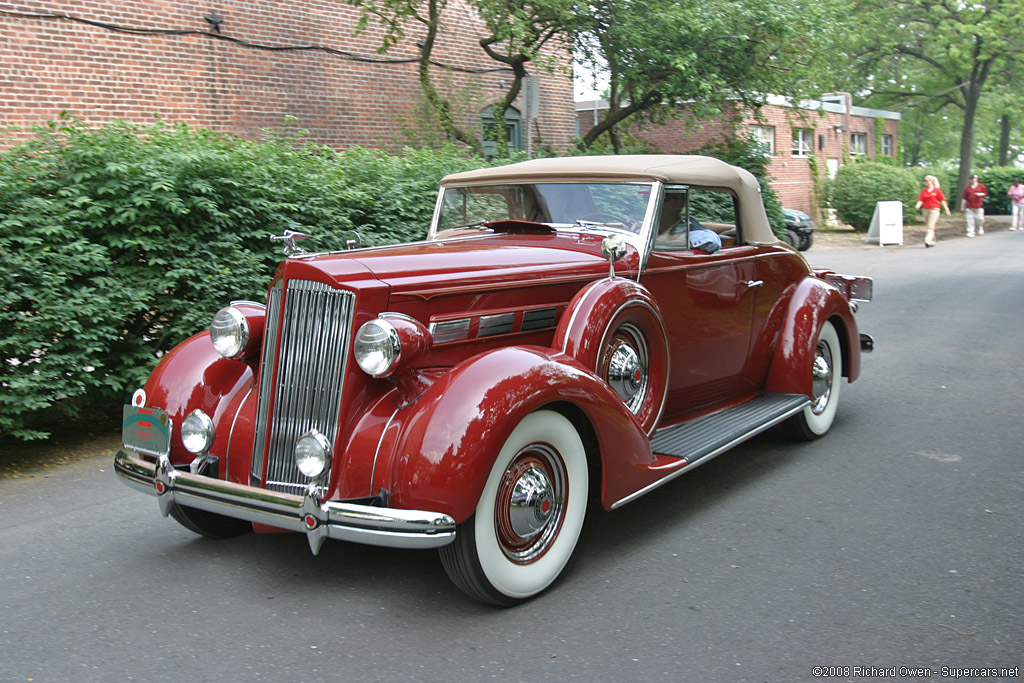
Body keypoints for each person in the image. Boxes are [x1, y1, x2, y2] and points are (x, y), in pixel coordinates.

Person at [915, 175, 951, 248]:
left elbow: (942, 200)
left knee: (930, 226)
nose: (926, 182)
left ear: (931, 181)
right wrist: (918, 205)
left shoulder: (937, 190)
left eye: (927, 180)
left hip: (934, 209)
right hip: (925, 209)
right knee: (929, 226)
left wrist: (947, 209)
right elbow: (921, 199)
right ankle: (932, 241)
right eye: (925, 181)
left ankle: (927, 240)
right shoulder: (924, 190)